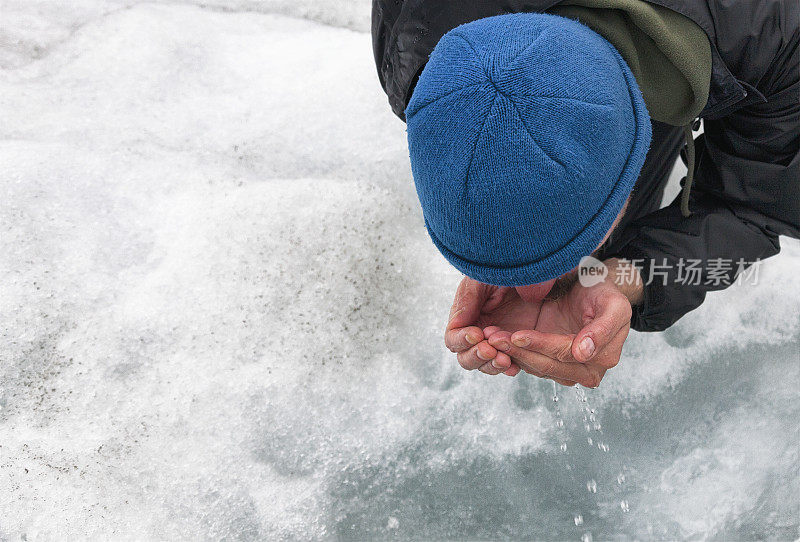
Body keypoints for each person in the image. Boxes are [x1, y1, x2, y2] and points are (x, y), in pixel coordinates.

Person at [372, 0, 799, 386]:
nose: (532, 292)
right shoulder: (413, 50)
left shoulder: (775, 37)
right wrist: (508, 250)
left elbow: (755, 204)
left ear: (635, 141)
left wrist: (631, 272)